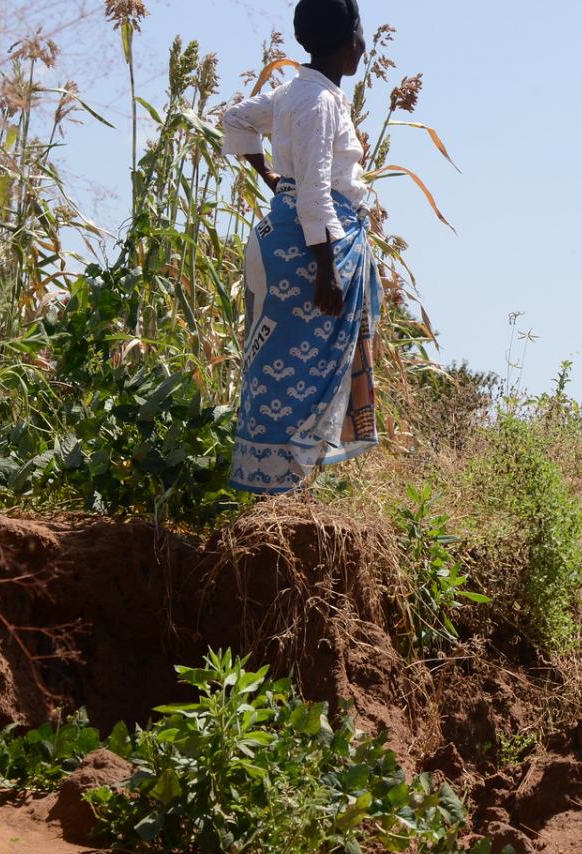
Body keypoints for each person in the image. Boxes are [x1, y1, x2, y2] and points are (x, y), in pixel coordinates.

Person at [219, 0, 379, 495]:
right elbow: (314, 192)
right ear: (350, 41)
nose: (364, 45)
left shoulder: (294, 93)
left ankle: (276, 494)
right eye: (360, 33)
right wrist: (327, 269)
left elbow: (234, 119)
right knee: (297, 379)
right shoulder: (318, 102)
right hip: (308, 254)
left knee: (278, 373)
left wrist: (270, 177)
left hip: (283, 241)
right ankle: (281, 501)